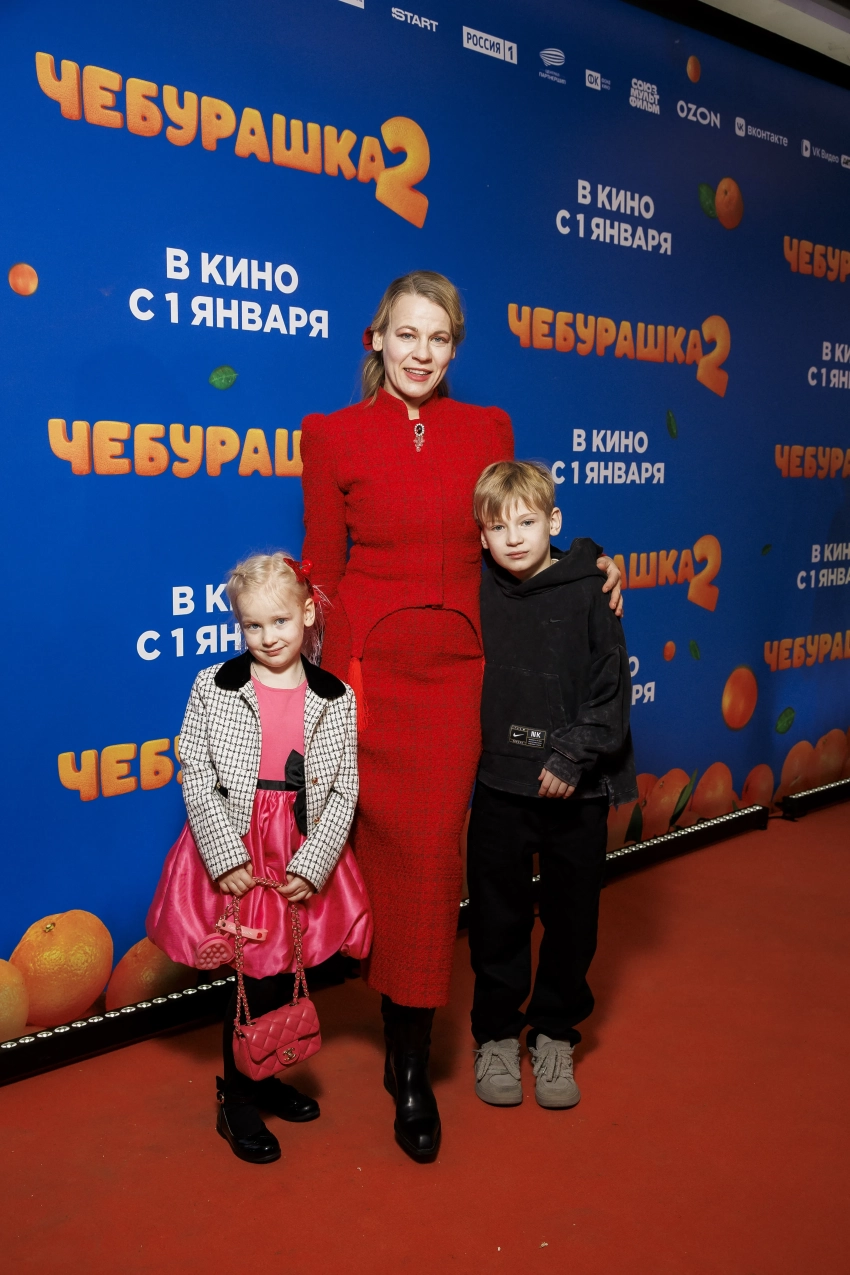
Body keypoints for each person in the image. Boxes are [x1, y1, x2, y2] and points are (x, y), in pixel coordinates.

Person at [300, 271, 623, 1160]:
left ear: (455, 347)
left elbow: (519, 527)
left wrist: (591, 563)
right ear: (376, 339)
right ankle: (343, 1035)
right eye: (406, 334)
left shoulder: (487, 428)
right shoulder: (331, 434)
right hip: (368, 672)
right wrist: (301, 666)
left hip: (460, 673)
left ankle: (410, 1061)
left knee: (432, 861)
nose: (421, 352)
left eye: (438, 337)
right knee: (349, 853)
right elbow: (322, 568)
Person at [147, 552, 362, 1164]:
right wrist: (224, 855)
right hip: (239, 844)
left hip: (296, 845)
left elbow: (344, 788)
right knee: (252, 978)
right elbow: (196, 772)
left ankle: (265, 1072)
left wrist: (313, 863)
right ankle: (236, 1098)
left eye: (280, 622)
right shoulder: (213, 686)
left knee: (286, 970)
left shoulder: (335, 697)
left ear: (307, 614)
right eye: (253, 625)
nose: (268, 637)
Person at [467, 461, 637, 1111]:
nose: (513, 538)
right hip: (499, 786)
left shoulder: (591, 588)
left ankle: (556, 1034)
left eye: (528, 522)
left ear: (554, 521)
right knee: (496, 922)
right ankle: (496, 1036)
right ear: (481, 536)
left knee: (573, 923)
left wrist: (570, 756)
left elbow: (610, 688)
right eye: (497, 527)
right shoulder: (475, 585)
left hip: (577, 791)